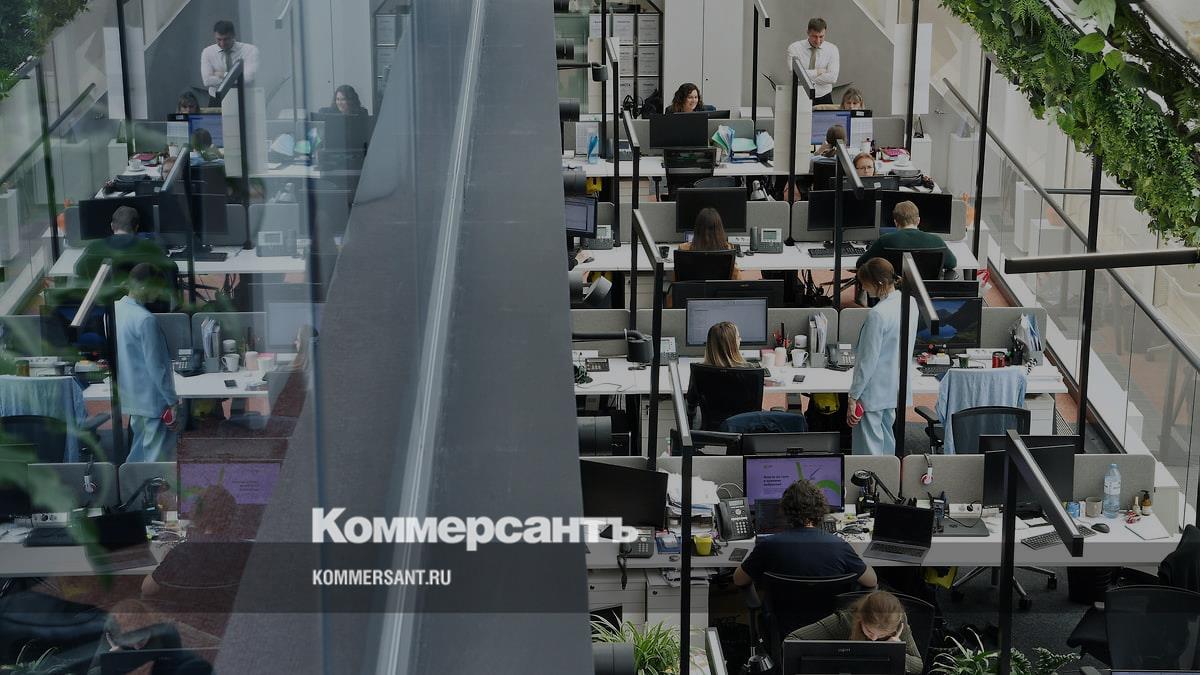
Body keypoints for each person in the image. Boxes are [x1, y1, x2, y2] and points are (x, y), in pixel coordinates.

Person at [734, 478, 877, 587]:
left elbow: (738, 580)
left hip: (782, 615)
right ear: (821, 509)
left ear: (784, 510)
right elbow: (871, 581)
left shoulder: (768, 545)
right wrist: (856, 555)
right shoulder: (840, 546)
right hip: (830, 617)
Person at [846, 258, 918, 456]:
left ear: (878, 283)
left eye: (864, 283)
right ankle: (888, 475)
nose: (863, 288)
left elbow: (867, 361)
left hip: (872, 391)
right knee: (887, 443)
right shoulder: (910, 303)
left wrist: (853, 397)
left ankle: (871, 477)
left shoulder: (878, 314)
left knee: (869, 450)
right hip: (894, 387)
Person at [117, 264, 182, 462]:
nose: (160, 294)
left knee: (138, 455)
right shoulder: (145, 320)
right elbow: (156, 367)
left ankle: (130, 483)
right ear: (145, 287)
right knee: (156, 461)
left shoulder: (116, 310)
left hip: (132, 398)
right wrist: (172, 401)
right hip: (154, 402)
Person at [789, 591, 924, 674]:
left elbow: (918, 666)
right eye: (869, 631)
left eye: (882, 635)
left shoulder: (898, 622)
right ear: (860, 619)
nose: (874, 639)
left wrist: (895, 652)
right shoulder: (845, 621)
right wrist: (831, 654)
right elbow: (792, 640)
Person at [74, 206, 174, 286]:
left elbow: (78, 269)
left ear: (112, 226)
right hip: (140, 301)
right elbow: (172, 268)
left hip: (106, 302)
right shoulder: (148, 247)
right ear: (136, 227)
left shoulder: (94, 247)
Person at [856, 200, 957, 273]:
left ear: (895, 222)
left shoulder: (885, 240)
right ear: (918, 221)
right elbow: (952, 263)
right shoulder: (937, 241)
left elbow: (860, 263)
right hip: (926, 291)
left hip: (896, 289)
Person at [200, 20, 259, 104]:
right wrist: (236, 77)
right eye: (219, 39)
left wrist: (221, 74)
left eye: (226, 39)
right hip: (217, 99)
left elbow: (248, 79)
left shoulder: (250, 50)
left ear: (233, 35)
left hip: (244, 98)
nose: (222, 43)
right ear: (214, 36)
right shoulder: (207, 52)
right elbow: (207, 80)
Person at [787, 18, 840, 105]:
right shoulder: (794, 48)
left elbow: (832, 78)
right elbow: (794, 74)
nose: (818, 41)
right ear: (808, 33)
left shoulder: (832, 49)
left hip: (824, 97)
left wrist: (804, 77)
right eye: (814, 36)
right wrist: (817, 72)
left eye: (821, 37)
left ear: (825, 33)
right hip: (800, 96)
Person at [677, 207, 740, 279]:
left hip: (692, 286)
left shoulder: (683, 248)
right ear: (719, 229)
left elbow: (677, 278)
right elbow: (736, 277)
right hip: (718, 286)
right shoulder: (728, 248)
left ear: (697, 228)